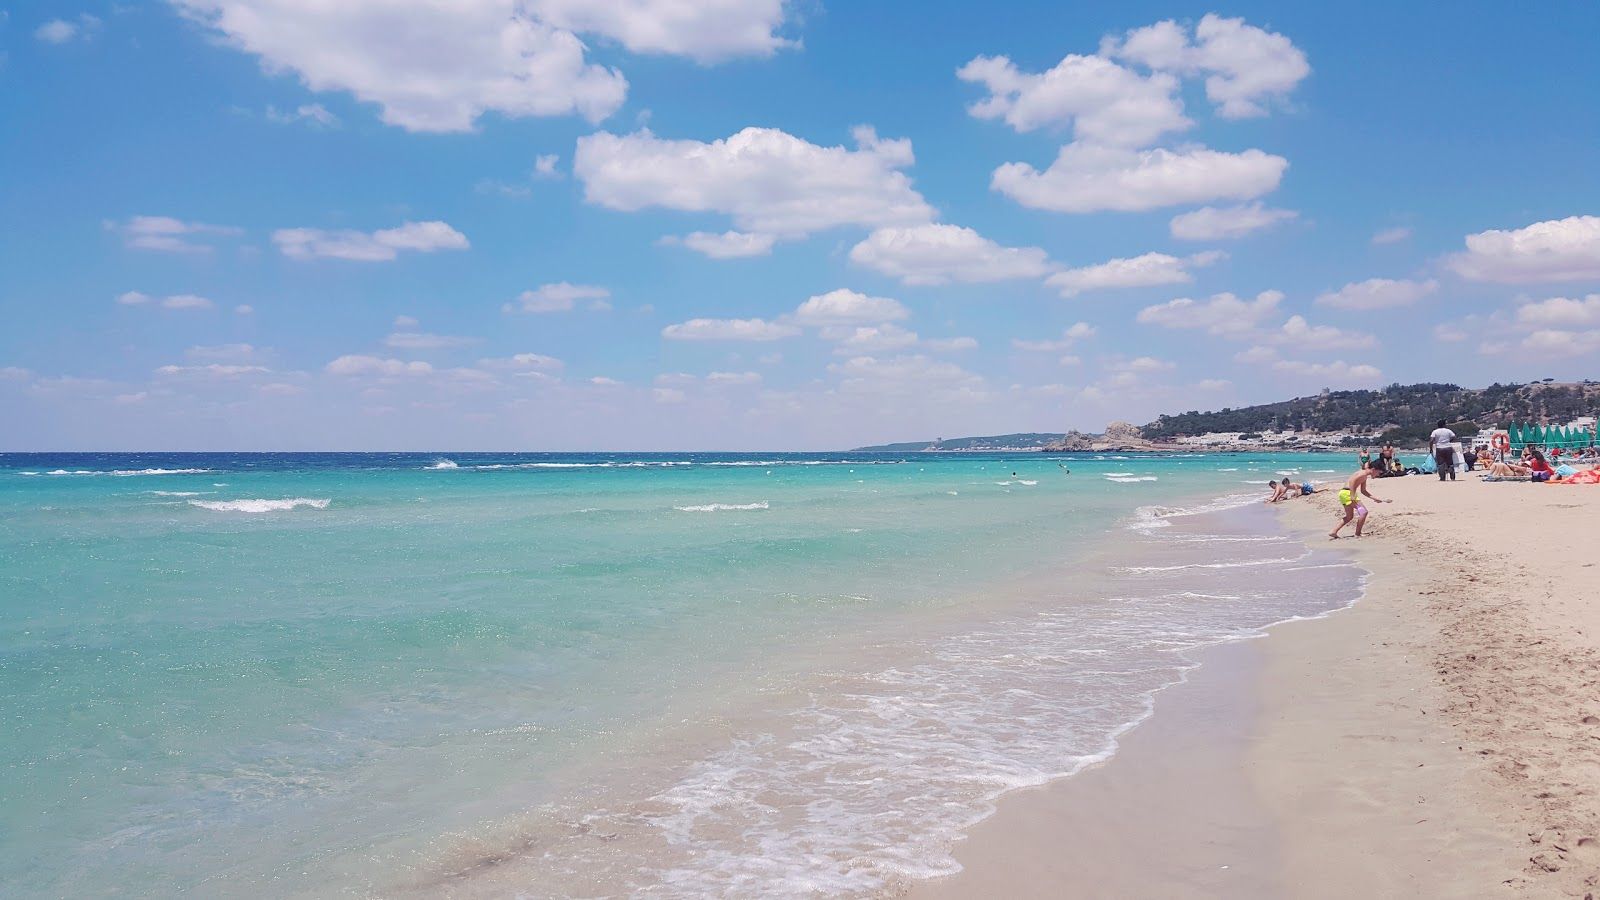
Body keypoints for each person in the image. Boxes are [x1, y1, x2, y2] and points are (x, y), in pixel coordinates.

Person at [1330, 460, 1390, 539]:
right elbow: (1352, 481)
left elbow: (1363, 491)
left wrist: (1375, 498)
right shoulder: (1363, 473)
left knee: (1349, 516)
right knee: (1363, 512)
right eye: (1379, 473)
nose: (1378, 475)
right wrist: (1352, 495)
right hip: (1348, 493)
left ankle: (1333, 532)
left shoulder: (1364, 476)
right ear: (1374, 469)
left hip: (1343, 493)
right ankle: (1357, 534)